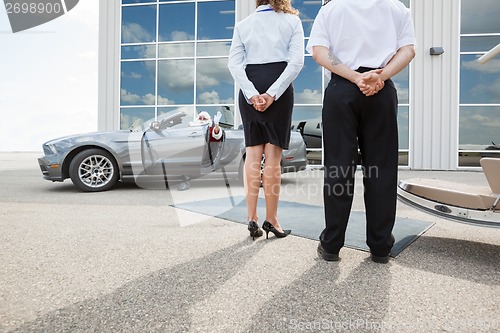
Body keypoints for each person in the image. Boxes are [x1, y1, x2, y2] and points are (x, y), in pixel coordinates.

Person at [306, 0, 416, 263]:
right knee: (382, 169)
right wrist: (381, 76)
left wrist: (354, 77)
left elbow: (320, 52)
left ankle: (331, 245)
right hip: (381, 89)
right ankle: (380, 248)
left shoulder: (332, 8)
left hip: (342, 89)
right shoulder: (397, 8)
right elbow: (408, 50)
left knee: (338, 167)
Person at [228, 0, 304, 240]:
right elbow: (296, 62)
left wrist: (251, 94)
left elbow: (234, 64)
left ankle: (251, 217)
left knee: (252, 154)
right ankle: (272, 219)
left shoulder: (243, 24)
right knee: (273, 157)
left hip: (250, 83)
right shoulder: (292, 21)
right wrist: (272, 93)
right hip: (278, 87)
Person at [178, 111, 224, 191]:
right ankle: (184, 180)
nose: (202, 120)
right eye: (200, 118)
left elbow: (216, 135)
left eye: (204, 118)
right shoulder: (191, 127)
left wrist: (216, 124)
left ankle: (185, 182)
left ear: (208, 120)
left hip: (205, 155)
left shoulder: (209, 129)